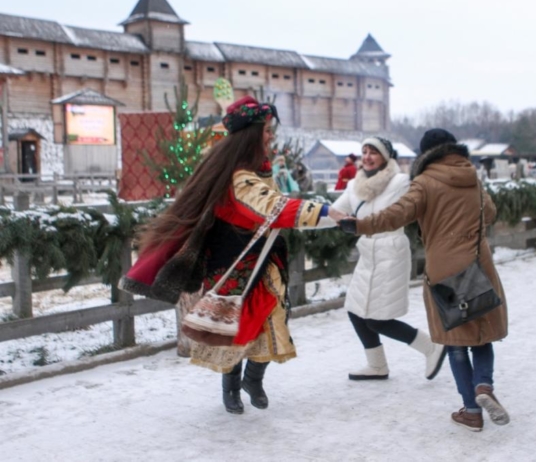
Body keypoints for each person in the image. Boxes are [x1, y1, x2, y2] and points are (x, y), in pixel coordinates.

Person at [119, 95, 346, 415]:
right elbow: (270, 207)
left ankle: (253, 379)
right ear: (251, 135)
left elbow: (273, 209)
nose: (271, 136)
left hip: (263, 261)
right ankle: (231, 388)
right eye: (266, 130)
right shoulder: (239, 176)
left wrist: (330, 217)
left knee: (272, 321)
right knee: (233, 328)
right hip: (232, 265)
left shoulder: (255, 169)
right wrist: (325, 211)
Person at [339, 129, 509, 432]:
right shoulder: (472, 177)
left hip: (444, 266)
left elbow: (396, 214)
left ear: (427, 153)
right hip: (477, 263)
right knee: (481, 332)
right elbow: (491, 213)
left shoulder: (425, 182)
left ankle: (471, 411)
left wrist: (361, 225)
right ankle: (484, 385)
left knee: (456, 341)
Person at [331, 137, 446, 381]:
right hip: (368, 253)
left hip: (391, 252)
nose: (367, 156)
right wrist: (299, 218)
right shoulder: (355, 185)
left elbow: (414, 209)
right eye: (364, 151)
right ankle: (377, 366)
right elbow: (333, 213)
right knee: (355, 310)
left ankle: (431, 347)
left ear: (386, 156)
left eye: (373, 152)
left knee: (377, 319)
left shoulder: (400, 182)